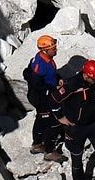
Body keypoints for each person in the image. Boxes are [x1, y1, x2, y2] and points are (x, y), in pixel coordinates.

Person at [25, 35, 66, 163]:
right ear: (45, 50)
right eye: (53, 48)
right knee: (53, 123)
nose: (56, 50)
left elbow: (50, 75)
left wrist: (57, 79)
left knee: (41, 119)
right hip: (42, 98)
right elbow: (37, 85)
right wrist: (51, 91)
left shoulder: (45, 59)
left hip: (45, 94)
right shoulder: (40, 65)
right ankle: (49, 151)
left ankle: (37, 144)